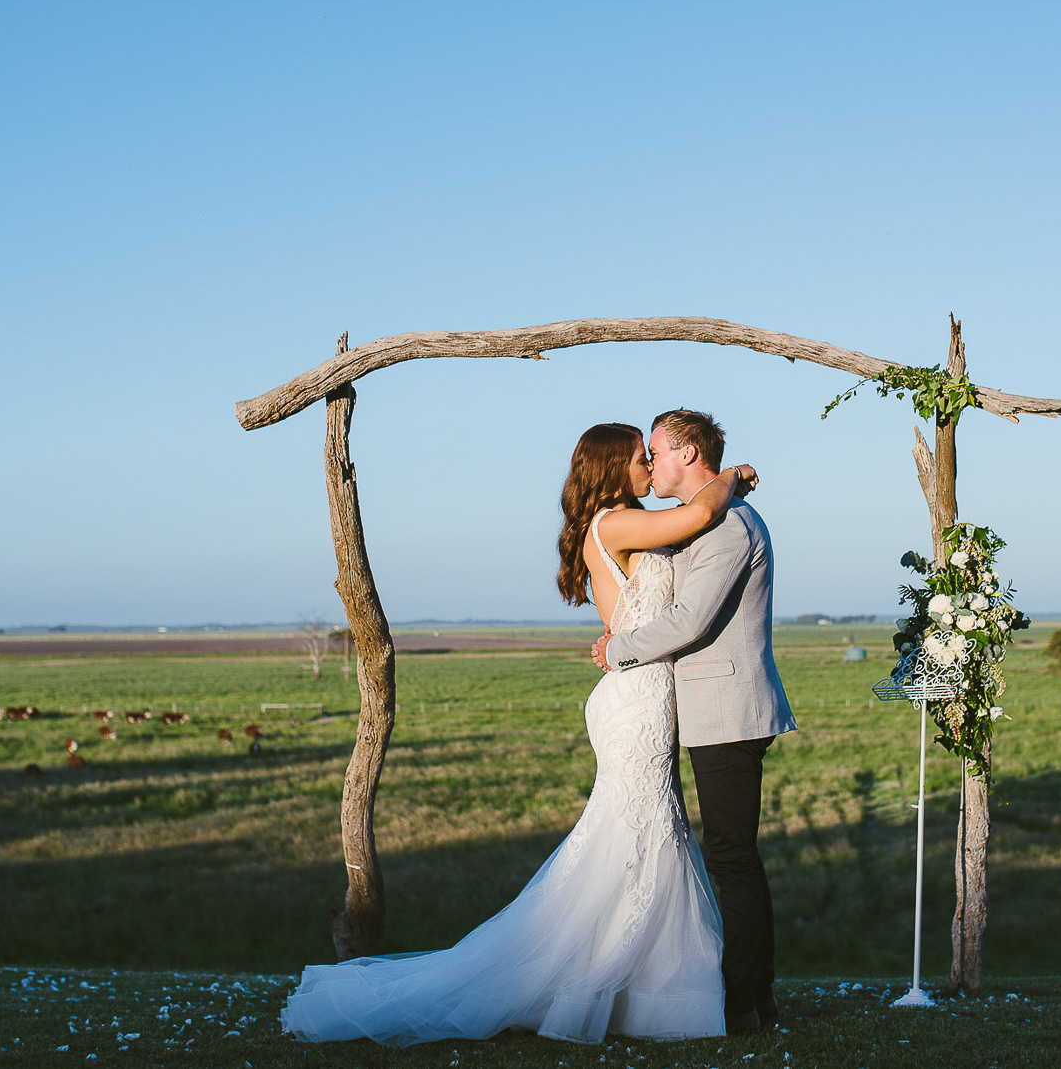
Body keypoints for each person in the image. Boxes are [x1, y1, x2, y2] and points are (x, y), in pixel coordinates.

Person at [279, 421, 758, 1046]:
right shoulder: (613, 524)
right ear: (615, 467)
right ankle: (622, 987)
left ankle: (641, 990)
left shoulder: (625, 521)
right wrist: (733, 475)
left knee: (644, 834)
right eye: (641, 457)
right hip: (636, 697)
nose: (648, 465)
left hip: (646, 692)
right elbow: (696, 518)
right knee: (637, 832)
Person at [595, 408, 796, 1034]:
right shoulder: (700, 523)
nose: (650, 465)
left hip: (730, 711)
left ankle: (744, 999)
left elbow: (690, 621)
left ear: (688, 452)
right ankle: (748, 995)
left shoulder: (731, 526)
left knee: (731, 856)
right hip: (705, 712)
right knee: (729, 854)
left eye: (657, 452)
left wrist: (616, 650)